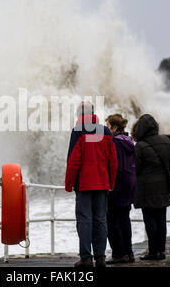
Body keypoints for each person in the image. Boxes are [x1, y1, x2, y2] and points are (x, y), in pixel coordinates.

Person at [65, 102, 118, 268]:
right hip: (102, 183)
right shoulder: (105, 130)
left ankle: (86, 258)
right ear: (93, 113)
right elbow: (113, 161)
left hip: (84, 184)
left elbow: (73, 161)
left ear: (79, 115)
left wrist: (69, 184)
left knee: (84, 220)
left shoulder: (78, 131)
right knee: (101, 219)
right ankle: (101, 258)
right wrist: (111, 182)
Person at [132, 114, 170, 261]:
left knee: (150, 220)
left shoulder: (140, 146)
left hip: (147, 189)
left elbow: (135, 168)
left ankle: (153, 251)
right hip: (163, 187)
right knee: (161, 219)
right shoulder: (166, 141)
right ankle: (161, 250)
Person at [105, 114, 137, 264]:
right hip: (129, 184)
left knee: (111, 220)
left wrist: (112, 188)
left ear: (115, 127)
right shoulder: (129, 141)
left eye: (108, 126)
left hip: (118, 185)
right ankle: (129, 253)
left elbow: (116, 166)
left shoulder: (115, 142)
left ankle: (118, 253)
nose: (106, 129)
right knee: (124, 219)